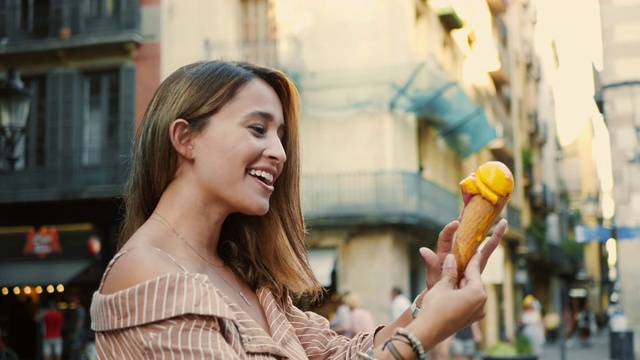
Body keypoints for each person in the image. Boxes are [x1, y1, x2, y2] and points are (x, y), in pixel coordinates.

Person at [89, 59, 507, 358]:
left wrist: (430, 302)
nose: (279, 153)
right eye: (258, 129)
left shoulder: (247, 276)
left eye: (281, 137)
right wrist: (426, 333)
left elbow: (342, 354)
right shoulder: (145, 274)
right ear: (185, 139)